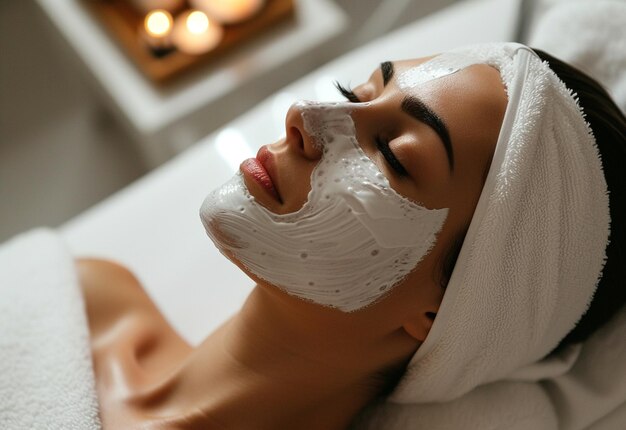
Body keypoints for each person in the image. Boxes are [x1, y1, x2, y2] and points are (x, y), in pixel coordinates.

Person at [76, 43, 626, 429]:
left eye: (392, 155)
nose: (305, 114)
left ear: (444, 318)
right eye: (355, 93)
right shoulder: (83, 298)